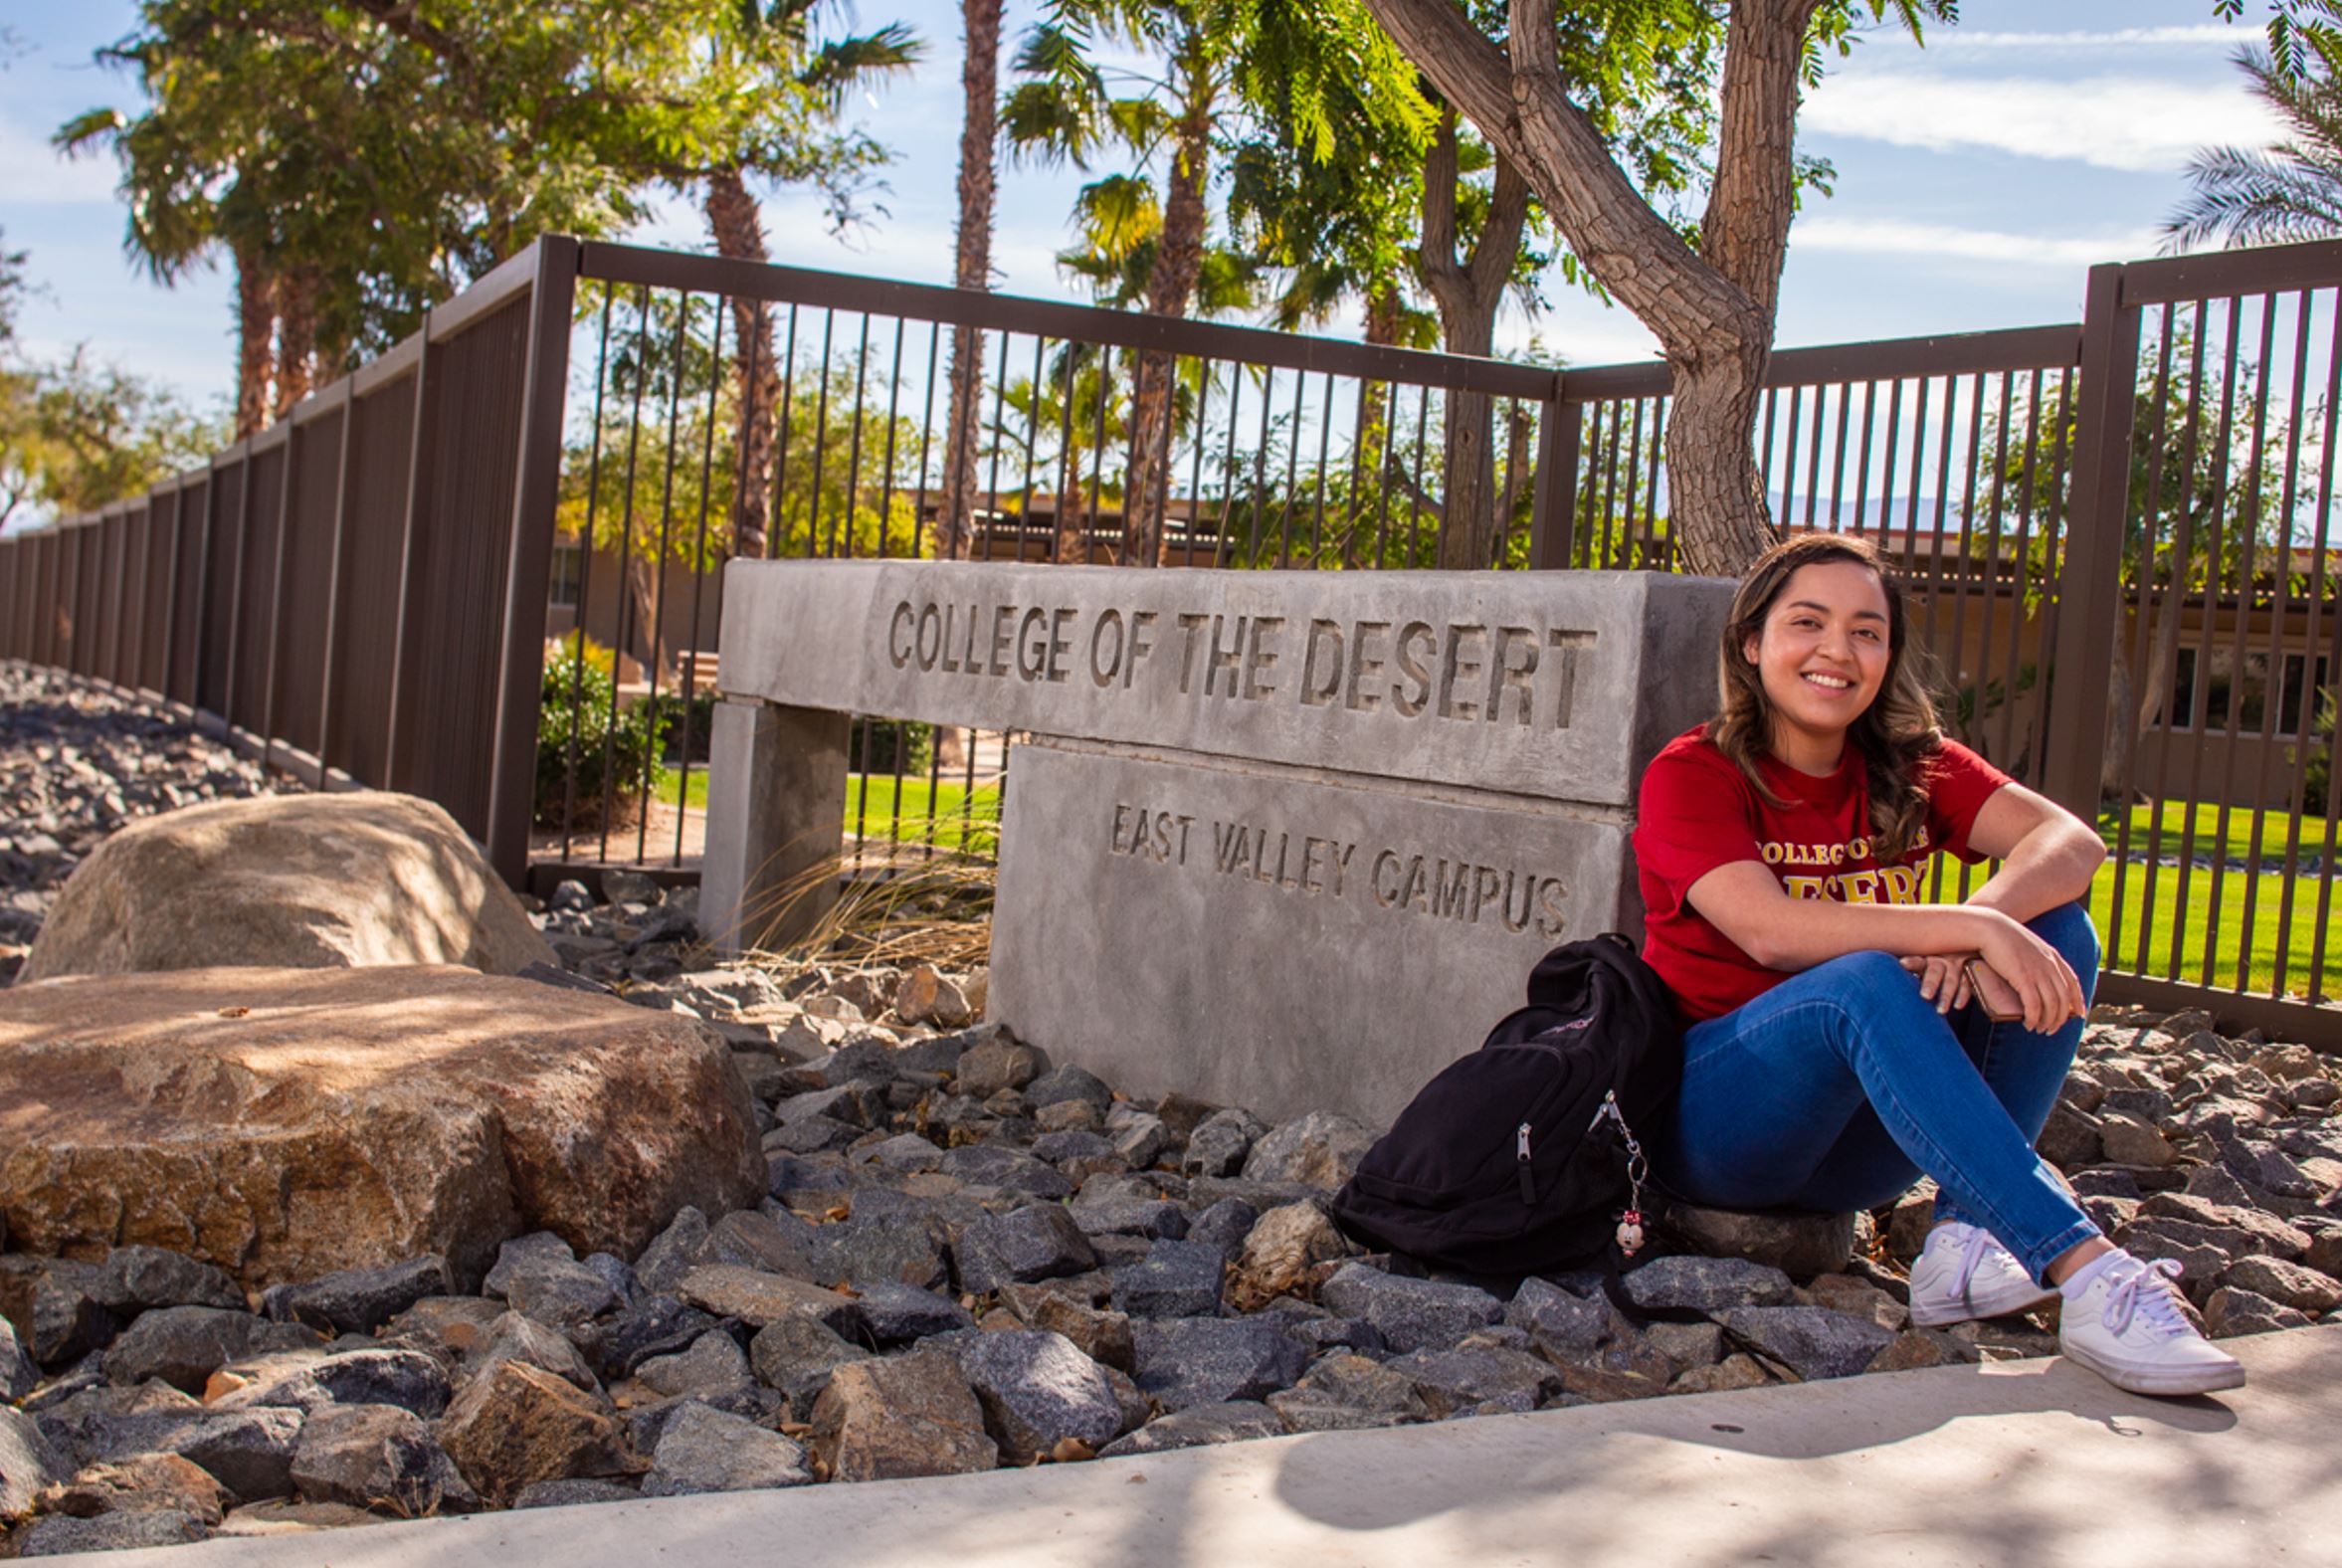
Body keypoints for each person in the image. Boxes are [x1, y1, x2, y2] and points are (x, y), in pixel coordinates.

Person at [1632, 532, 2244, 1397]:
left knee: (2057, 929)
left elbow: (2072, 842)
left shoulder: (1909, 764)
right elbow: (1767, 930)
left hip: (1866, 1153)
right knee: (1862, 981)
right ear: (1750, 642)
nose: (1837, 651)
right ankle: (2092, 1274)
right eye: (1808, 622)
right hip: (1722, 1128)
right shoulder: (1693, 772)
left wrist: (1984, 922)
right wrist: (1950, 932)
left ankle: (1962, 1245)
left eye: (1867, 631)